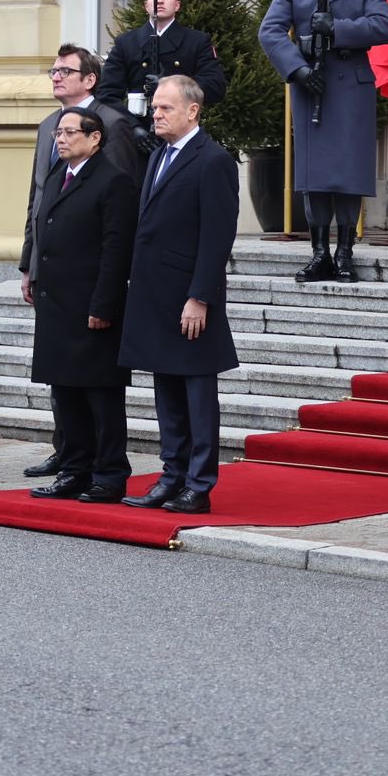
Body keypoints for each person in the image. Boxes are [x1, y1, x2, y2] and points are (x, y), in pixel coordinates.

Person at [119, 74, 239, 513]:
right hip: (156, 293)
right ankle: (171, 476)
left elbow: (217, 235)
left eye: (165, 107)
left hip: (190, 297)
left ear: (193, 110)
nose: (156, 113)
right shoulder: (158, 157)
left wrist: (200, 296)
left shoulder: (213, 161)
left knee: (196, 394)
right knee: (166, 389)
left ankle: (199, 484)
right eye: (154, 107)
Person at [258, 0, 388, 283]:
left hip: (349, 85)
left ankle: (345, 252)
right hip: (310, 84)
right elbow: (270, 31)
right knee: (313, 172)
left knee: (348, 170)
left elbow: (383, 27)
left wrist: (336, 27)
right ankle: (319, 253)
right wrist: (297, 69)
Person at [20, 42, 138, 480]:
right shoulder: (49, 125)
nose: (56, 76)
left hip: (89, 278)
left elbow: (119, 209)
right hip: (53, 275)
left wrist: (107, 294)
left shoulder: (112, 125)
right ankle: (68, 454)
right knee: (61, 375)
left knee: (92, 379)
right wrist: (28, 261)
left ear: (90, 79)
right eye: (53, 69)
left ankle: (97, 464)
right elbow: (39, 199)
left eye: (65, 70)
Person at [97, 0, 227, 130]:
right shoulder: (126, 43)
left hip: (181, 130)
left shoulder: (196, 41)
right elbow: (106, 95)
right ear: (146, 5)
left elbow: (216, 86)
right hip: (138, 132)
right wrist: (133, 128)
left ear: (177, 5)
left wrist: (173, 86)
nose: (159, 1)